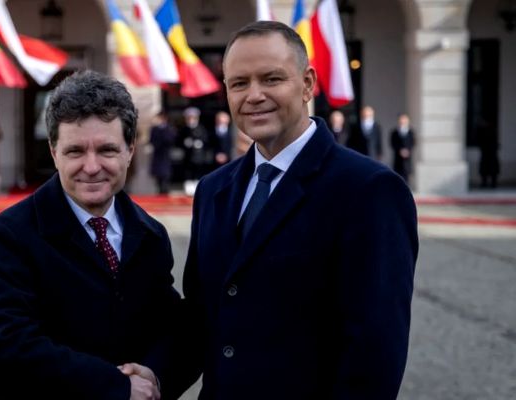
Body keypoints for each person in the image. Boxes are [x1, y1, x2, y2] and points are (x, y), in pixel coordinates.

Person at [179, 21, 419, 399]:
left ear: (307, 84)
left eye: (271, 79)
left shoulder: (369, 190)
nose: (254, 95)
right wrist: (151, 378)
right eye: (239, 83)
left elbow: (375, 351)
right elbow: (200, 316)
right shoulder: (213, 190)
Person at [0, 70, 183, 400]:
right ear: (54, 152)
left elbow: (169, 328)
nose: (92, 166)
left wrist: (154, 376)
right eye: (75, 152)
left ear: (130, 150)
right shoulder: (7, 237)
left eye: (107, 150)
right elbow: (7, 344)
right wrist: (115, 386)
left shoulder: (151, 235)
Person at [178, 107, 211, 195]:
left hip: (198, 155)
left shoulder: (201, 128)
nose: (191, 120)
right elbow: (178, 140)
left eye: (193, 118)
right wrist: (185, 143)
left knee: (198, 171)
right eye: (189, 118)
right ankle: (188, 187)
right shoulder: (184, 129)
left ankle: (197, 186)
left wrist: (200, 143)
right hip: (188, 156)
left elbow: (206, 140)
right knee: (188, 172)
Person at [148, 111, 176, 194]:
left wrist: (162, 131)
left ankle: (165, 191)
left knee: (165, 176)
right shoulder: (154, 129)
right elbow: (152, 140)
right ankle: (159, 192)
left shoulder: (169, 129)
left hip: (165, 155)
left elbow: (170, 140)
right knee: (158, 177)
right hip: (157, 155)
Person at [390, 113, 416, 183]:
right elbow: (392, 144)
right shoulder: (394, 132)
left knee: (406, 179)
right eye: (401, 120)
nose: (403, 121)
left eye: (404, 120)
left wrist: (407, 151)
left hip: (407, 160)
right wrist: (400, 150)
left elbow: (413, 143)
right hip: (397, 160)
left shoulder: (411, 132)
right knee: (397, 178)